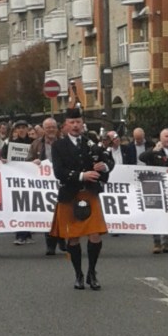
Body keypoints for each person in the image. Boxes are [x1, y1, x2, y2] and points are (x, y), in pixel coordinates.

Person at [50, 108, 114, 290]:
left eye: (78, 122)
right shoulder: (58, 146)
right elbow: (59, 172)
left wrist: (104, 167)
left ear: (82, 124)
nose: (76, 125)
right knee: (74, 239)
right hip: (70, 195)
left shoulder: (91, 143)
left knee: (95, 235)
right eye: (72, 122)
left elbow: (109, 161)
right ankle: (78, 274)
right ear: (65, 126)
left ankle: (92, 272)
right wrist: (81, 176)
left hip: (90, 194)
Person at [27, 117, 66, 255]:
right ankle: (50, 244)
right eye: (48, 127)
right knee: (47, 213)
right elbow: (28, 161)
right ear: (43, 129)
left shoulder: (64, 143)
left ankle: (62, 239)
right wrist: (34, 162)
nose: (50, 130)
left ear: (57, 129)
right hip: (44, 184)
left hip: (61, 182)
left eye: (53, 127)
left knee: (61, 212)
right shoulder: (36, 144)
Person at [139, 128, 168, 254]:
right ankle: (156, 243)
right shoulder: (155, 150)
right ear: (161, 138)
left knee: (167, 216)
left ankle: (166, 242)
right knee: (155, 215)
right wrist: (153, 150)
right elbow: (142, 157)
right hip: (155, 188)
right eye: (166, 136)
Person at [2, 119, 34, 245]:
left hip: (31, 179)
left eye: (23, 127)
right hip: (16, 179)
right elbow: (3, 156)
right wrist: (4, 160)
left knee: (29, 206)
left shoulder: (34, 142)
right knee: (19, 206)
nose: (21, 130)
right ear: (16, 130)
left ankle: (28, 232)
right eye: (19, 128)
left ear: (27, 129)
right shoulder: (10, 144)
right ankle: (20, 234)